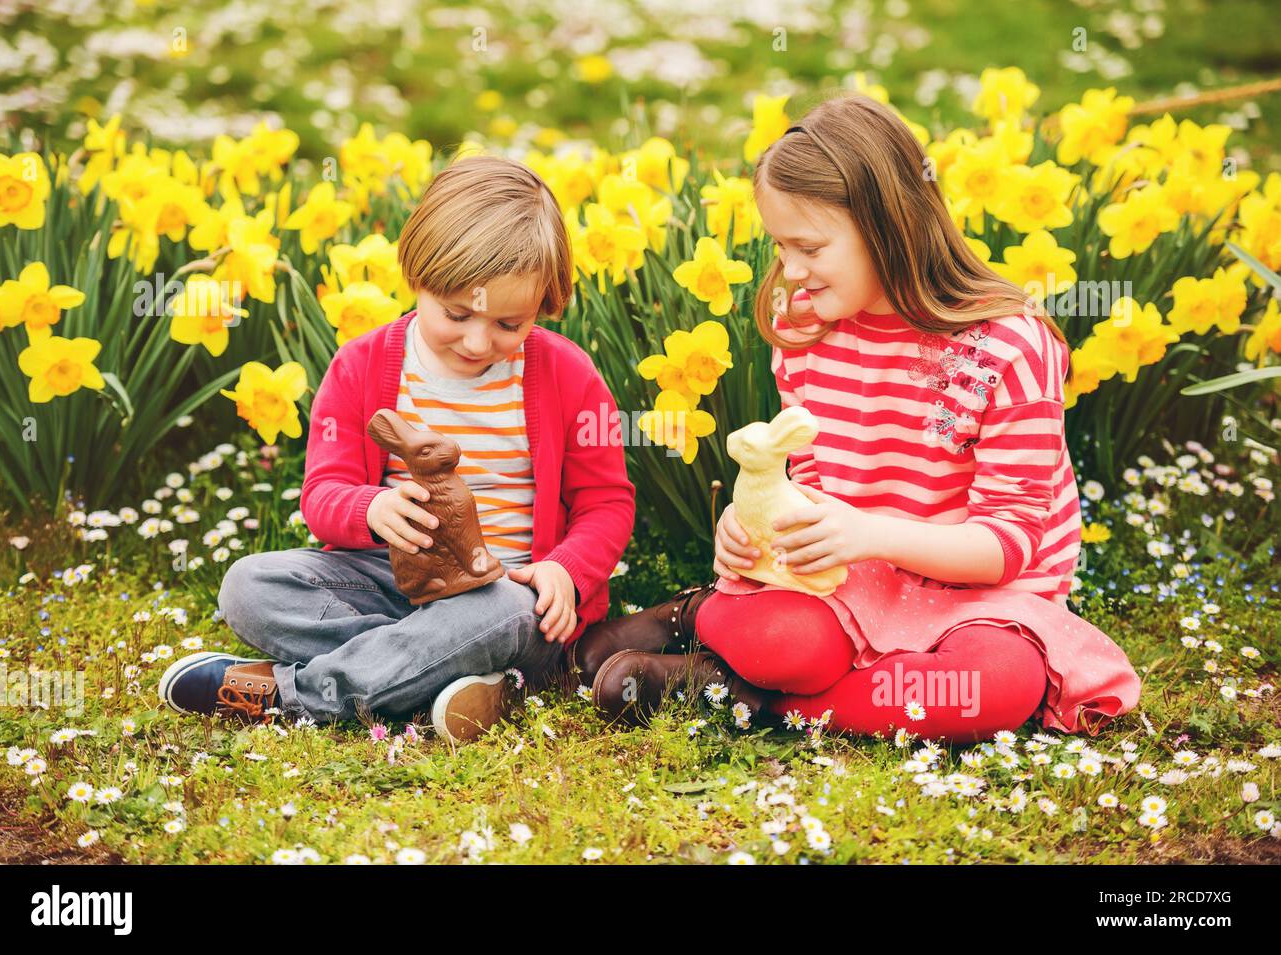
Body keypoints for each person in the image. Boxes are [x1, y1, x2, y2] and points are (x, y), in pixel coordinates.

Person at [579, 93, 1140, 743]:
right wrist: (749, 526)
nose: (790, 270)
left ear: (888, 224)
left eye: (809, 246)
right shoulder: (808, 324)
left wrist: (868, 532)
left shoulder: (1007, 348)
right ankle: (697, 615)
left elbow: (1006, 546)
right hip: (850, 579)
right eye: (780, 246)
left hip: (985, 600)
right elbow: (811, 483)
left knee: (991, 688)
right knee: (788, 645)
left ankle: (734, 693)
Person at [161, 155, 635, 743]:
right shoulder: (362, 366)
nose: (478, 341)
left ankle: (290, 696)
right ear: (417, 276)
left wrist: (565, 570)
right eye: (456, 314)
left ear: (546, 300)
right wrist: (371, 511)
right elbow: (322, 495)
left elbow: (607, 503)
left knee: (499, 616)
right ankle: (447, 676)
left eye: (509, 325)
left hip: (512, 600)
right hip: (389, 583)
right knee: (248, 587)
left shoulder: (567, 373)